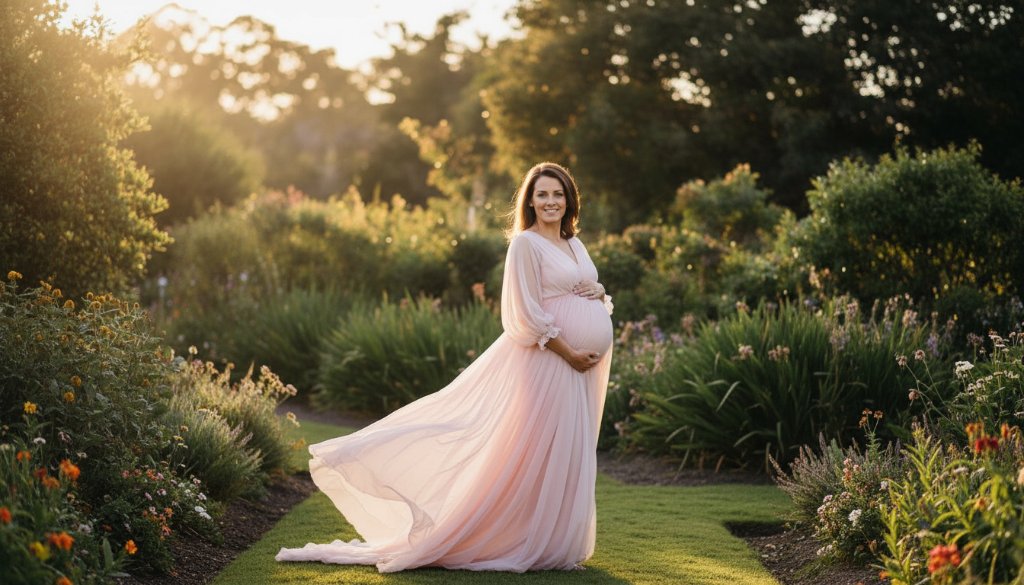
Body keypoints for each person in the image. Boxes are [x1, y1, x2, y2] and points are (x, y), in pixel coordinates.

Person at [275, 161, 614, 573]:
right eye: (541, 194)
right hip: (550, 363)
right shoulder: (525, 244)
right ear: (529, 200)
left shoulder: (574, 243)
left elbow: (586, 289)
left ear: (569, 199)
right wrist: (570, 352)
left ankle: (551, 542)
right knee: (533, 453)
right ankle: (513, 539)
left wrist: (597, 291)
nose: (550, 202)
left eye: (557, 194)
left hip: (580, 368)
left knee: (566, 452)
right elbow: (523, 314)